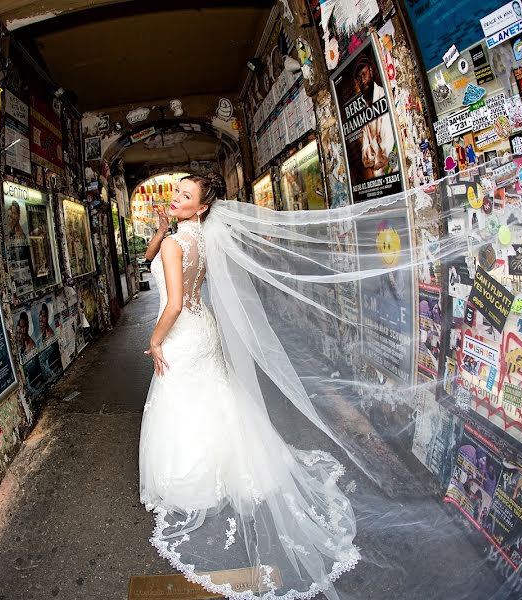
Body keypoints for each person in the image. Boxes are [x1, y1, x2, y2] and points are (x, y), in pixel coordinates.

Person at [139, 173, 359, 598]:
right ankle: (232, 464)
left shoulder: (175, 244)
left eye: (186, 196)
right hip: (204, 329)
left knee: (183, 404)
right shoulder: (198, 239)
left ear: (201, 207)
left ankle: (196, 478)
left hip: (183, 332)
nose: (177, 197)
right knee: (213, 398)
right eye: (177, 192)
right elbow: (156, 257)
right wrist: (163, 226)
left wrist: (153, 340)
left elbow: (175, 302)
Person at [350, 53, 395, 179]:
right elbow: (365, 159)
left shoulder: (382, 96)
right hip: (377, 178)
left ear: (371, 71)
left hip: (392, 172)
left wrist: (372, 146)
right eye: (358, 78)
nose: (362, 80)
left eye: (364, 74)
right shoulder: (364, 108)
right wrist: (376, 144)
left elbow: (388, 149)